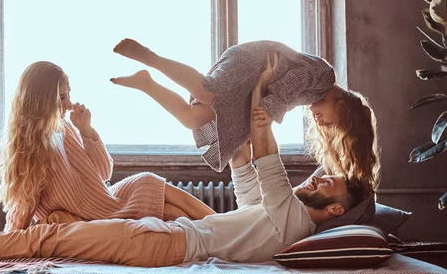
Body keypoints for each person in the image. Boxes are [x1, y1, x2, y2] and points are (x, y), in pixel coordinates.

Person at [0, 58, 366, 265]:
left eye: (330, 184)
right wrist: (249, 101)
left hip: (162, 243)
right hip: (171, 238)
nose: (321, 176)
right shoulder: (272, 216)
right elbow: (246, 167)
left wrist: (262, 103)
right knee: (45, 237)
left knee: (46, 240)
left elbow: (267, 161)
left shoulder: (293, 224)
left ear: (337, 211)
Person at [110, 39, 380, 194]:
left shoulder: (312, 96)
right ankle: (150, 58)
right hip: (256, 61)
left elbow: (272, 98)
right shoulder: (324, 77)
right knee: (207, 92)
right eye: (331, 121)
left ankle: (147, 83)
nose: (321, 123)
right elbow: (280, 90)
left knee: (195, 118)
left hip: (256, 81)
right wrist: (266, 115)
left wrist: (256, 124)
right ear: (342, 104)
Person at [0, 61, 215, 231]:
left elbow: (103, 172)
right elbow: (23, 207)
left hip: (104, 199)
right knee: (171, 212)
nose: (70, 103)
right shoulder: (31, 148)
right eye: (61, 97)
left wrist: (87, 132)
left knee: (151, 182)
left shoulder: (64, 128)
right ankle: (225, 232)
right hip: (94, 213)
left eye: (68, 94)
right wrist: (7, 244)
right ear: (40, 99)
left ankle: (227, 225)